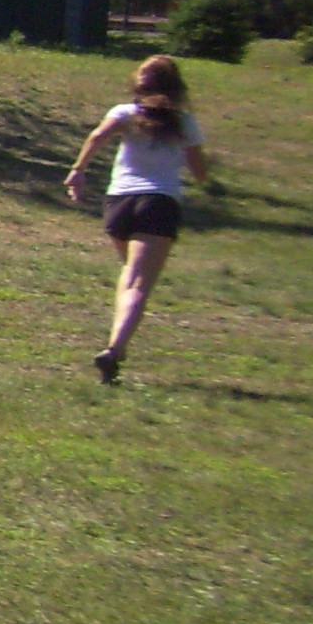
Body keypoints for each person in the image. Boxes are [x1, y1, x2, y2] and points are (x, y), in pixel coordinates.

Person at [62, 52, 212, 387]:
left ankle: (116, 349)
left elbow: (97, 137)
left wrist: (78, 170)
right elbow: (201, 173)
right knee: (139, 284)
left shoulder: (124, 113)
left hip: (119, 203)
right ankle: (114, 350)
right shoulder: (184, 123)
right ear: (176, 87)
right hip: (158, 203)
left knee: (129, 275)